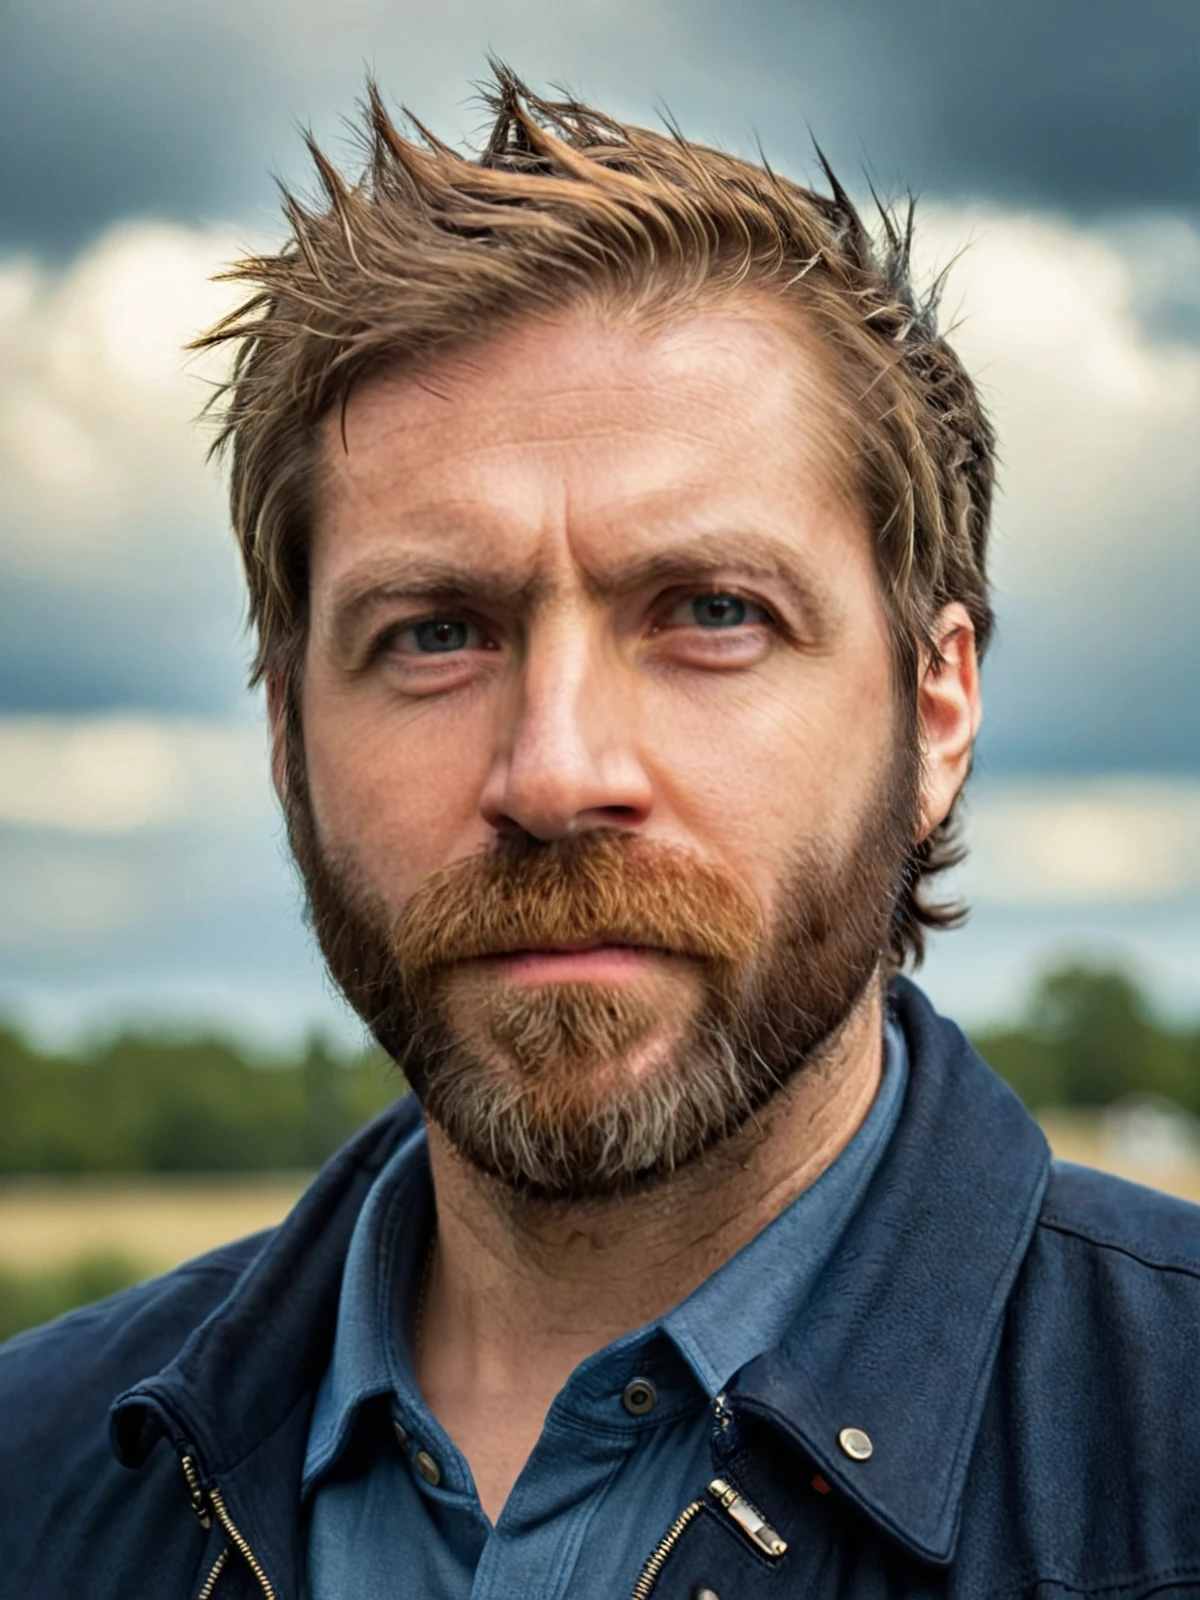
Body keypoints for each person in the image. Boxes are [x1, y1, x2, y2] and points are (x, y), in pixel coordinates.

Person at [2, 68, 1198, 1600]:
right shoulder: (35, 1481)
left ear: (937, 709)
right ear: (290, 732)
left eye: (712, 614)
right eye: (437, 633)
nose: (556, 774)